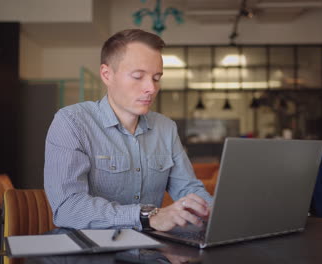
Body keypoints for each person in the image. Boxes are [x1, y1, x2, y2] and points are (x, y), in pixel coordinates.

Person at [44, 29, 212, 232]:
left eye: (157, 78)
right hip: (91, 251)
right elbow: (68, 207)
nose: (151, 88)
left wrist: (215, 211)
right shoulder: (71, 123)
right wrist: (147, 216)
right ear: (107, 75)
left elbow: (188, 190)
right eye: (138, 76)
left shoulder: (166, 128)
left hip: (149, 249)